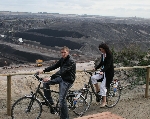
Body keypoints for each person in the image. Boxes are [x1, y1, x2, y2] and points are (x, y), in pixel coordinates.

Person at [39, 46, 76, 119]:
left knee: (62, 99)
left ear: (68, 52)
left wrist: (50, 77)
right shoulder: (63, 59)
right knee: (46, 83)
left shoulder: (70, 61)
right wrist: (44, 70)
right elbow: (55, 66)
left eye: (64, 52)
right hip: (61, 78)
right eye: (61, 52)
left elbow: (62, 71)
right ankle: (50, 102)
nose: (63, 54)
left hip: (67, 81)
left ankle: (65, 118)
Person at [91, 43, 114, 107]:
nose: (101, 51)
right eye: (100, 50)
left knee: (103, 86)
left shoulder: (109, 55)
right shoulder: (103, 55)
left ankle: (104, 101)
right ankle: (97, 89)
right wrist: (96, 68)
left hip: (108, 73)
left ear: (104, 49)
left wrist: (102, 71)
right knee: (93, 77)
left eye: (101, 49)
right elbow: (101, 63)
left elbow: (108, 65)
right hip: (103, 72)